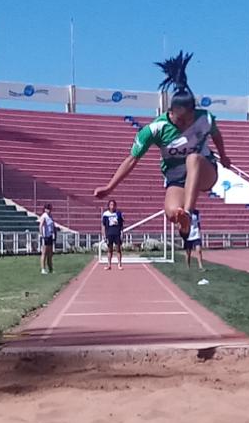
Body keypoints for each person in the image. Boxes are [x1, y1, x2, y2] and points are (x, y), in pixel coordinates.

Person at [93, 51, 233, 240]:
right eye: (180, 120)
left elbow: (217, 135)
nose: (185, 125)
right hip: (176, 177)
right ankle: (184, 225)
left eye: (189, 120)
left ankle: (189, 214)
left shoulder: (204, 119)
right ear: (170, 112)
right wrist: (110, 187)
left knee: (193, 158)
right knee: (172, 213)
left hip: (204, 171)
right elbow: (132, 159)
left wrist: (223, 156)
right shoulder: (155, 129)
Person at [101, 200, 124, 271]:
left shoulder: (118, 213)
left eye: (113, 205)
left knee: (118, 249)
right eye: (111, 205)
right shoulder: (105, 214)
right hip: (109, 234)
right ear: (108, 206)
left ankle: (119, 264)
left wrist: (122, 234)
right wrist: (104, 235)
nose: (112, 206)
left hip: (117, 233)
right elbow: (103, 225)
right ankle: (109, 265)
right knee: (109, 250)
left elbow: (121, 225)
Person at [39, 203, 56, 274]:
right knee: (44, 253)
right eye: (47, 209)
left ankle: (50, 269)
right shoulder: (44, 216)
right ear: (45, 209)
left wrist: (54, 234)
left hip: (50, 236)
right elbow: (40, 225)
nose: (48, 210)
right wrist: (41, 234)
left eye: (49, 209)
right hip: (45, 236)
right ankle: (43, 269)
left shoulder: (50, 216)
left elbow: (53, 226)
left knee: (50, 254)